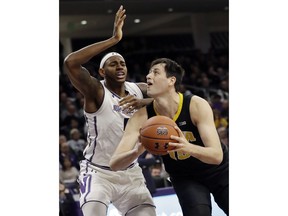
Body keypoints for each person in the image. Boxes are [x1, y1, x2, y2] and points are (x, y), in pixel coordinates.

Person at [63, 5, 156, 216]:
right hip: (98, 172)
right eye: (113, 64)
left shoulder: (139, 89)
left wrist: (146, 103)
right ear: (102, 71)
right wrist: (114, 40)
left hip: (131, 172)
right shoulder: (96, 90)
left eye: (122, 63)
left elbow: (173, 98)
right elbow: (71, 63)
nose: (120, 66)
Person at [110, 58, 229, 216]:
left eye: (155, 72)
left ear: (171, 80)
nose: (148, 76)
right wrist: (136, 152)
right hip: (184, 177)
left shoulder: (195, 105)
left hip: (219, 171)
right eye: (149, 72)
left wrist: (188, 147)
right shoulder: (142, 116)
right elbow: (114, 164)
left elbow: (216, 156)